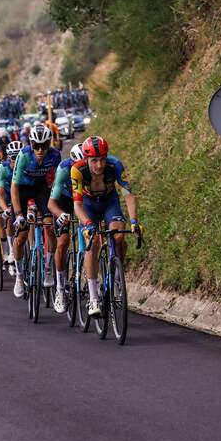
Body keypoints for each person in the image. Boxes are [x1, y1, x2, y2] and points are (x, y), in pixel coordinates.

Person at [70, 136, 142, 317]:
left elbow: (128, 195)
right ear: (86, 159)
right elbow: (77, 206)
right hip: (87, 204)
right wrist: (87, 224)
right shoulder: (77, 170)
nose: (99, 165)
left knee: (119, 236)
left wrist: (134, 221)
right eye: (94, 160)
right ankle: (93, 297)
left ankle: (116, 277)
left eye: (102, 159)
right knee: (92, 242)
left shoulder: (116, 165)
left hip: (110, 202)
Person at [10, 125, 61, 298]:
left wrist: (57, 207)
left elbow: (56, 183)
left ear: (49, 144)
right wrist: (18, 214)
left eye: (44, 145)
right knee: (21, 235)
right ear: (31, 144)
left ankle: (47, 267)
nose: (40, 150)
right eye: (36, 146)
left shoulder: (55, 155)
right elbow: (14, 187)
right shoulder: (23, 156)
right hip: (22, 190)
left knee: (50, 226)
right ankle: (19, 275)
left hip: (41, 190)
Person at [47, 144, 84, 313]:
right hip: (63, 200)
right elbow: (51, 202)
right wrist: (60, 214)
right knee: (62, 242)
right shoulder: (63, 168)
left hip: (83, 200)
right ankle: (60, 289)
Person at [0, 140, 22, 275]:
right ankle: (12, 250)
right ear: (8, 158)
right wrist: (5, 208)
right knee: (8, 218)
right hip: (6, 197)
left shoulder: (26, 166)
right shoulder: (3, 168)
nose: (16, 162)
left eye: (19, 158)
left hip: (21, 195)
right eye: (13, 159)